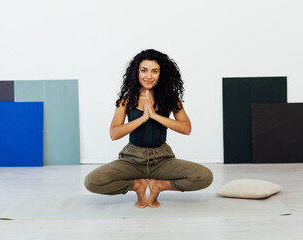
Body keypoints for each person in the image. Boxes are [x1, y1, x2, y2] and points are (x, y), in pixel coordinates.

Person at [84, 49, 213, 208]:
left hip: (161, 160)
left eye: (154, 71)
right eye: (144, 70)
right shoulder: (126, 100)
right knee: (92, 181)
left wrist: (156, 116)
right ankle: (137, 186)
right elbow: (114, 133)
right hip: (132, 159)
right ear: (136, 72)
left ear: (161, 74)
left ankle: (159, 186)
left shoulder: (170, 100)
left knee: (204, 176)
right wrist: (143, 118)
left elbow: (186, 128)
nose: (149, 76)